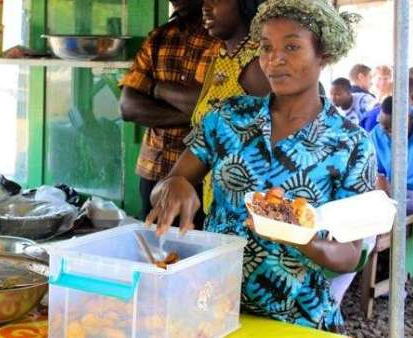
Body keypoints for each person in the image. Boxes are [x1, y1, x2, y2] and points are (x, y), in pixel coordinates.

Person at [147, 0, 373, 333]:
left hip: (298, 317)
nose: (274, 59)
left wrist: (302, 239)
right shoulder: (228, 117)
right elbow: (167, 186)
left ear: (323, 53)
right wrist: (174, 186)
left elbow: (351, 254)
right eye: (266, 47)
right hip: (214, 304)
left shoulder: (351, 144)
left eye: (292, 47)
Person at [119, 0, 221, 224]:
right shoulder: (159, 37)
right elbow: (128, 106)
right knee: (158, 251)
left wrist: (155, 88)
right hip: (155, 170)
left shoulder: (225, 39)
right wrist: (205, 117)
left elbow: (219, 106)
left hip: (205, 176)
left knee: (200, 251)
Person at [192, 0, 271, 214]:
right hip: (216, 201)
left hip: (248, 211)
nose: (205, 7)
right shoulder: (223, 56)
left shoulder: (256, 64)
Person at [371, 94, 413, 213]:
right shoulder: (377, 135)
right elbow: (377, 173)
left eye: (389, 127)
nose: (383, 130)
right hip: (395, 190)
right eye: (381, 124)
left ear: (409, 119)